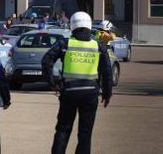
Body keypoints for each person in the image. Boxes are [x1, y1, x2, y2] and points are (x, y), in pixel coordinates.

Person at [41, 11, 113, 154]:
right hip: (90, 93)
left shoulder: (65, 43)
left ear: (72, 26)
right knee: (85, 134)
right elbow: (107, 71)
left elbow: (46, 61)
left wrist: (52, 82)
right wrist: (107, 92)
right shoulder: (98, 46)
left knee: (63, 129)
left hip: (69, 92)